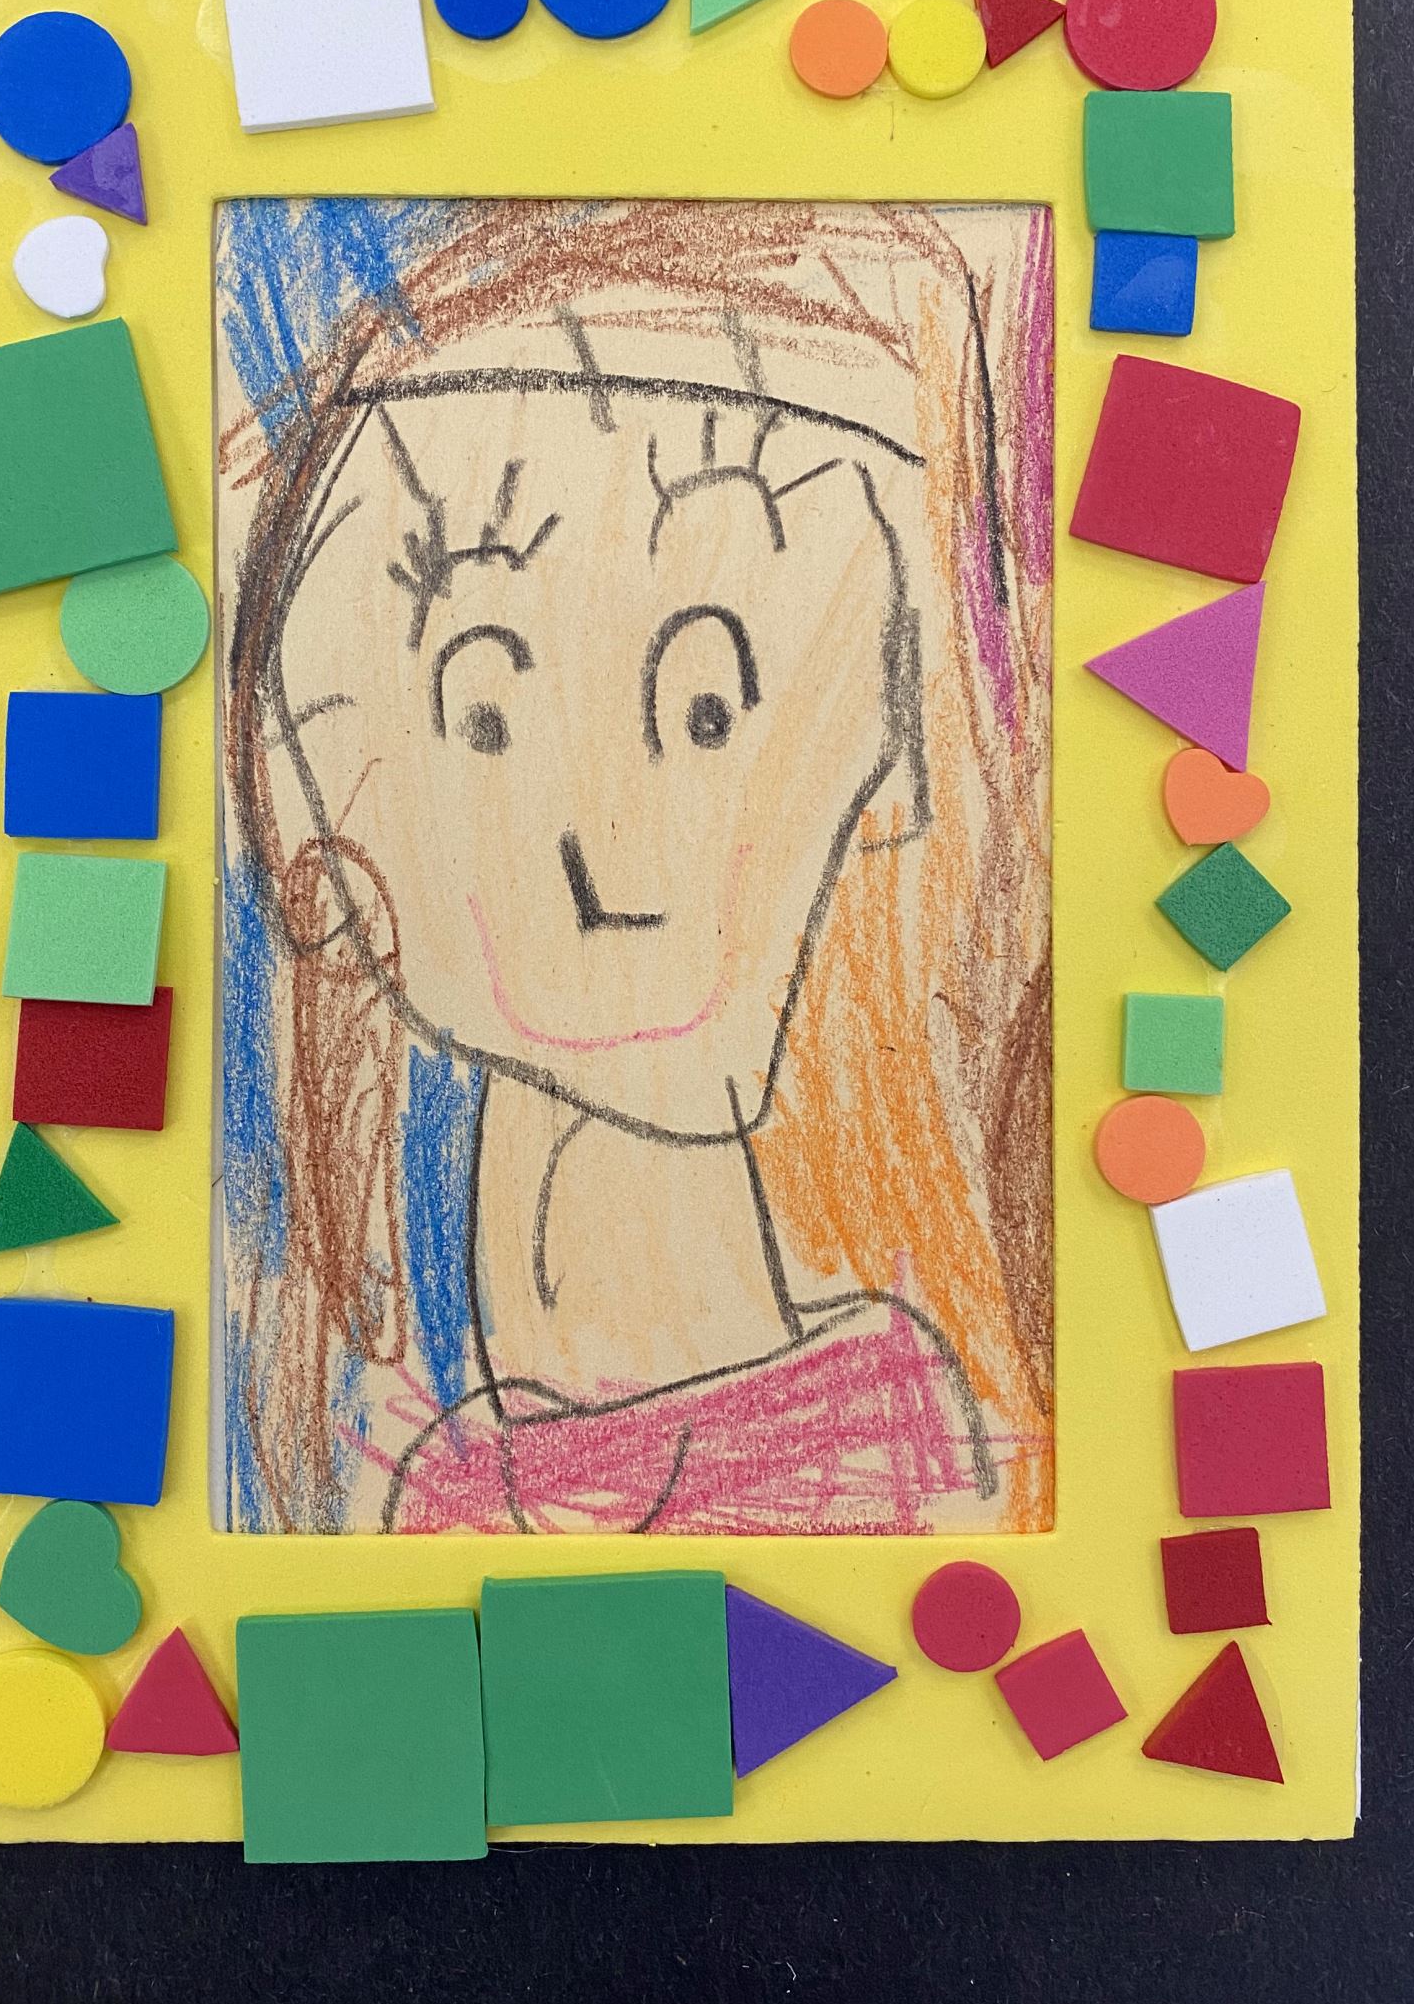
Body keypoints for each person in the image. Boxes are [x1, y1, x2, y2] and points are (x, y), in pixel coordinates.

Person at [221, 199, 1052, 1535]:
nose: (613, 855)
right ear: (311, 844)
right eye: (486, 716)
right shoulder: (438, 1497)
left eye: (711, 710)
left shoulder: (897, 1444)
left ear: (884, 756)